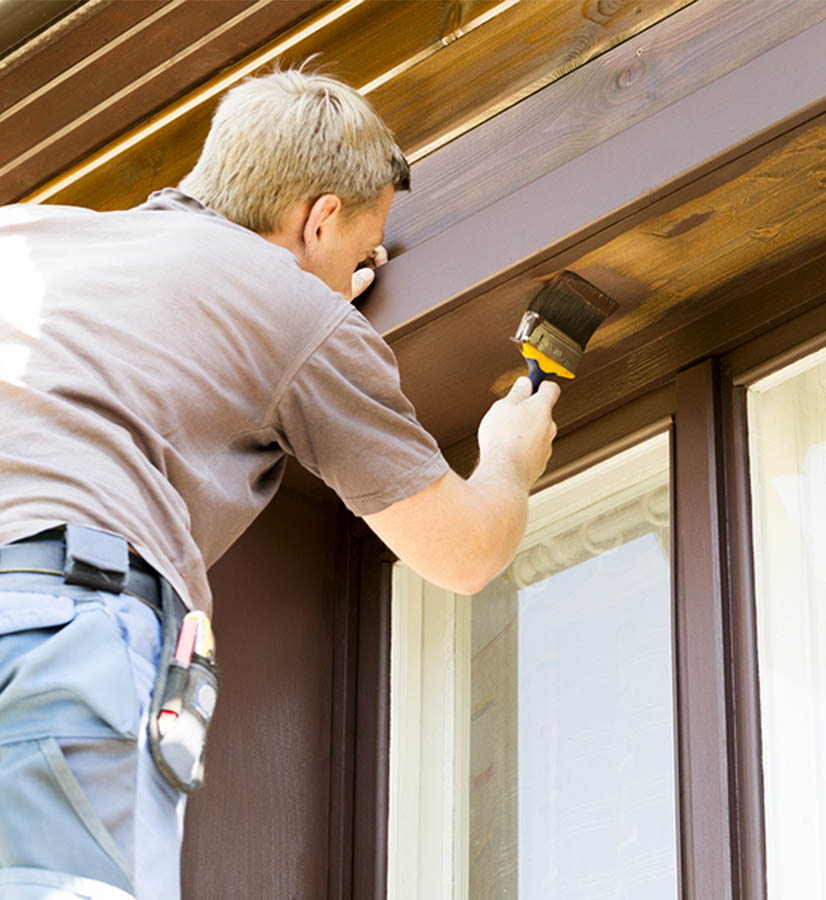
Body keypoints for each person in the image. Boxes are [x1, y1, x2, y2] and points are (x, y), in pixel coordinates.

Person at [0, 67, 560, 899]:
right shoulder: (294, 313)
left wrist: (305, 288)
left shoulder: (26, 237)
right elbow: (464, 553)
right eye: (363, 248)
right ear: (319, 217)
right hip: (62, 626)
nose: (362, 269)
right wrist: (509, 460)